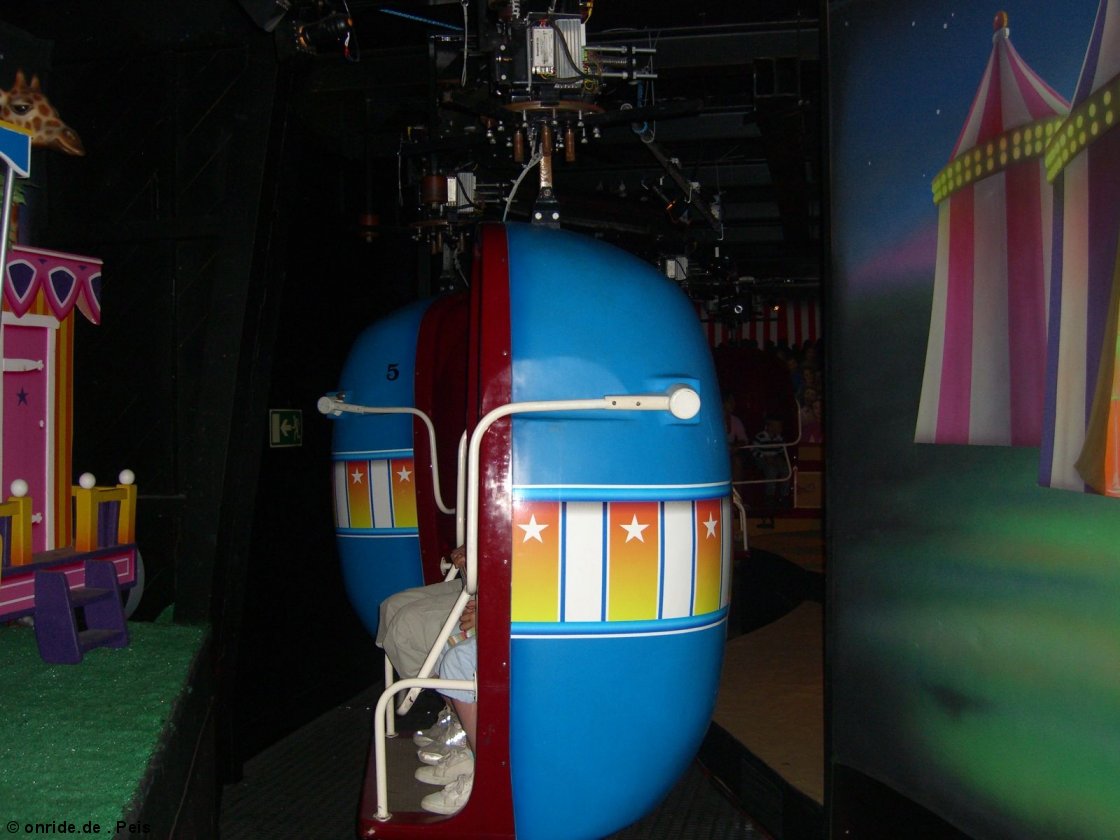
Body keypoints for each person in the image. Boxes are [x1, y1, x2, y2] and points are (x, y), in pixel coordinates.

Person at [753, 414, 790, 508]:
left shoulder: (780, 438)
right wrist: (764, 457)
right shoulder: (760, 437)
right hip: (762, 459)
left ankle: (784, 495)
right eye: (778, 426)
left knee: (786, 470)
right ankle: (770, 496)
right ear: (769, 426)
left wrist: (778, 458)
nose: (780, 429)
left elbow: (782, 451)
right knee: (771, 471)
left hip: (775, 459)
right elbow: (753, 450)